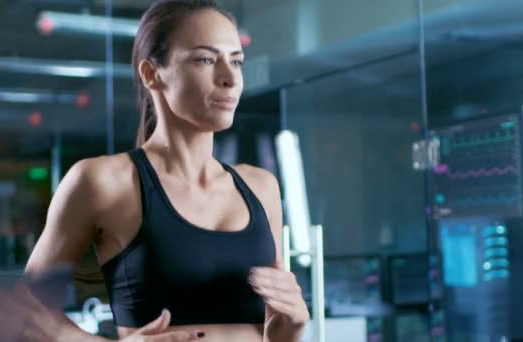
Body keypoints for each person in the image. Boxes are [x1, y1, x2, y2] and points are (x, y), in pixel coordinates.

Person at [24, 0, 309, 341]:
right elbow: (26, 313)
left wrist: (292, 325)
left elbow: (272, 334)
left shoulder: (262, 187)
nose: (230, 79)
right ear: (151, 73)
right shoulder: (104, 182)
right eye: (206, 59)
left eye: (237, 61)